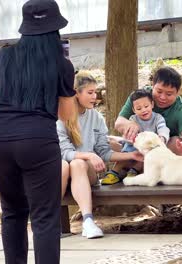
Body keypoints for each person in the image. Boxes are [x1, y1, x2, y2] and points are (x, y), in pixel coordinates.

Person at [0, 1, 75, 263]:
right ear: (55, 29)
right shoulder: (61, 63)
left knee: (12, 211)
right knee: (45, 216)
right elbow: (66, 115)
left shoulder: (3, 55)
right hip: (37, 141)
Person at [57, 71, 143, 239]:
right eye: (90, 92)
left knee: (78, 164)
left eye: (95, 92)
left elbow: (104, 151)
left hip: (83, 173)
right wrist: (89, 155)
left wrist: (132, 155)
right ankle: (51, 222)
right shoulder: (61, 116)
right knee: (68, 164)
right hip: (61, 173)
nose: (94, 97)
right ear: (76, 92)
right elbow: (64, 152)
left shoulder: (96, 117)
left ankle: (88, 221)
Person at [102, 89, 170, 185]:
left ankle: (134, 171)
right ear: (133, 110)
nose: (143, 110)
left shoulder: (158, 118)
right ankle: (115, 172)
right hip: (134, 144)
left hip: (149, 146)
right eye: (139, 108)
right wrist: (131, 138)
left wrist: (162, 138)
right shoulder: (133, 119)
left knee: (148, 154)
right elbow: (128, 134)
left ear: (152, 104)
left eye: (146, 106)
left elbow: (163, 128)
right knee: (127, 150)